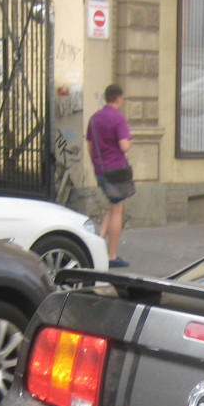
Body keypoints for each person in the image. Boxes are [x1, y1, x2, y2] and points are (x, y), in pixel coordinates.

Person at [87, 84, 134, 268]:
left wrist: (96, 167)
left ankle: (95, 247)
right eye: (122, 99)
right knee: (117, 211)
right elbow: (124, 146)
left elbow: (91, 147)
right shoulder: (118, 119)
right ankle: (111, 256)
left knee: (112, 206)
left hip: (101, 170)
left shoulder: (94, 119)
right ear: (118, 99)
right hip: (117, 170)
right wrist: (131, 142)